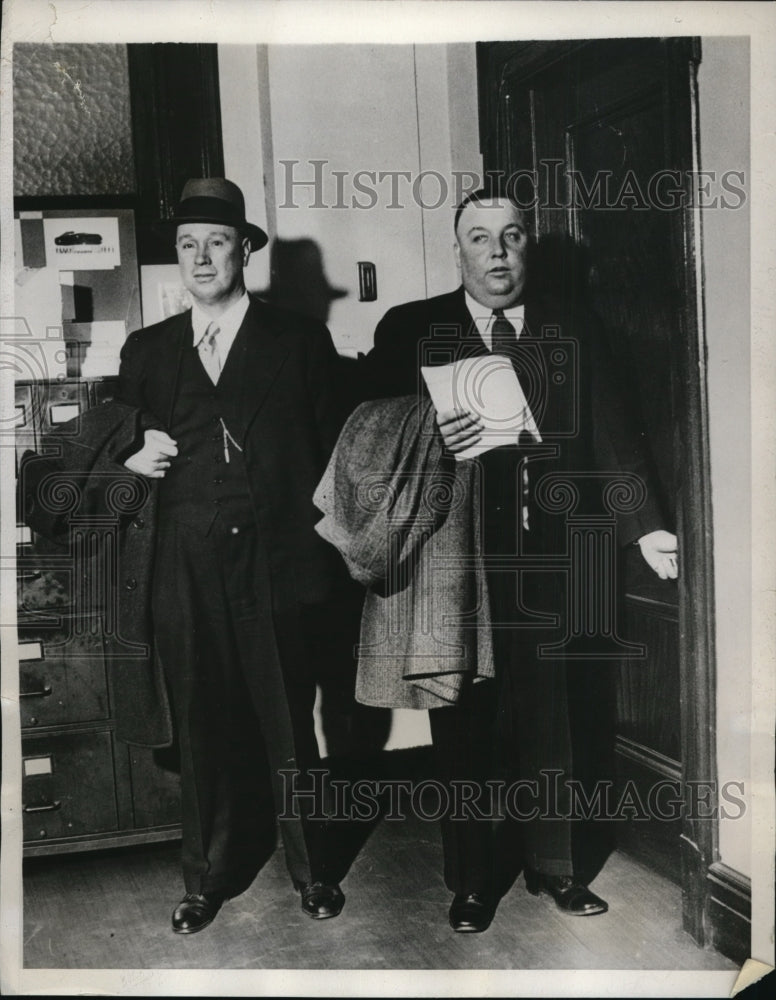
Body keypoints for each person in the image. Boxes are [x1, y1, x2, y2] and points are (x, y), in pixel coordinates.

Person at [357, 186, 679, 933]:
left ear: (528, 244)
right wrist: (429, 427)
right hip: (456, 563)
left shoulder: (574, 325)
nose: (497, 253)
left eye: (511, 236)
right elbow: (366, 433)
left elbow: (615, 434)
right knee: (464, 720)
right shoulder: (413, 327)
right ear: (459, 248)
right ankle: (471, 880)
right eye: (480, 238)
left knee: (560, 717)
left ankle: (557, 867)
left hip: (563, 559)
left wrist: (647, 528)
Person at [115, 177, 346, 932]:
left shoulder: (299, 340)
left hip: (277, 564)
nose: (202, 257)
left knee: (289, 720)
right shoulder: (147, 351)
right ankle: (205, 877)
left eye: (217, 241)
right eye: (187, 245)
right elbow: (119, 442)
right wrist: (131, 453)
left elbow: (337, 454)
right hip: (183, 567)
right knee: (202, 723)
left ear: (244, 249)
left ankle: (313, 872)